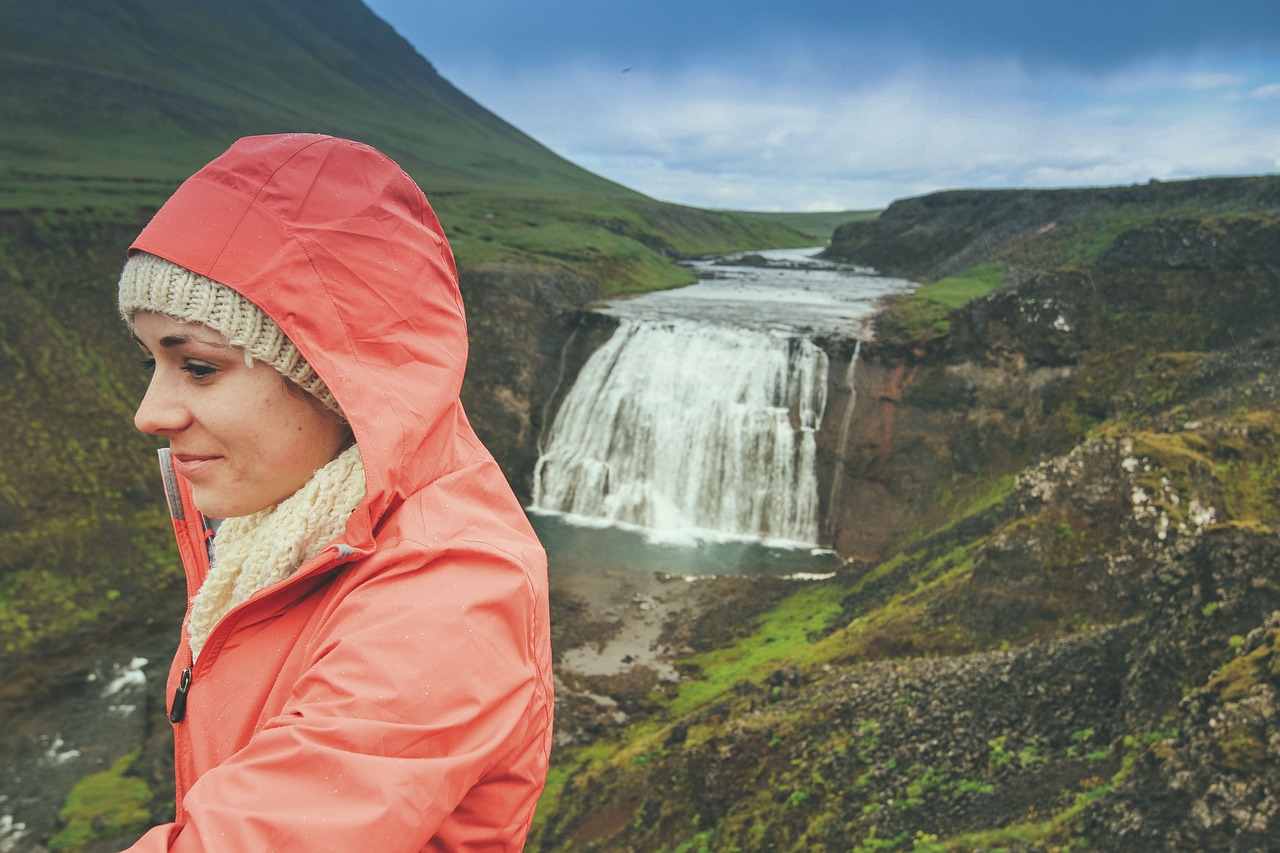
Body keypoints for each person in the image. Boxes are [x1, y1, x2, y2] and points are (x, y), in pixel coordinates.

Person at [116, 133, 553, 851]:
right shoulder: (277, 523)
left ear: (334, 375)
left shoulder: (452, 598)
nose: (148, 413)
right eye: (152, 361)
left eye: (197, 365)